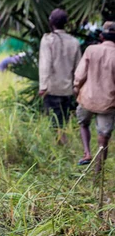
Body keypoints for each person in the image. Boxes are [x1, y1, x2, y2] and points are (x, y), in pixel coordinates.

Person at [74, 21, 115, 171]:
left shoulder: (91, 50)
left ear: (101, 36)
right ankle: (99, 171)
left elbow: (79, 75)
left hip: (87, 99)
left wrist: (76, 88)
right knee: (103, 137)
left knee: (84, 123)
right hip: (108, 103)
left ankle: (87, 153)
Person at [39, 8, 81, 145]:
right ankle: (62, 144)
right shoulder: (74, 42)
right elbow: (78, 68)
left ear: (51, 22)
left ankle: (59, 146)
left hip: (52, 88)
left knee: (54, 121)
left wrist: (43, 86)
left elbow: (45, 64)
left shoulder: (47, 40)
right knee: (63, 119)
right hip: (67, 89)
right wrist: (77, 87)